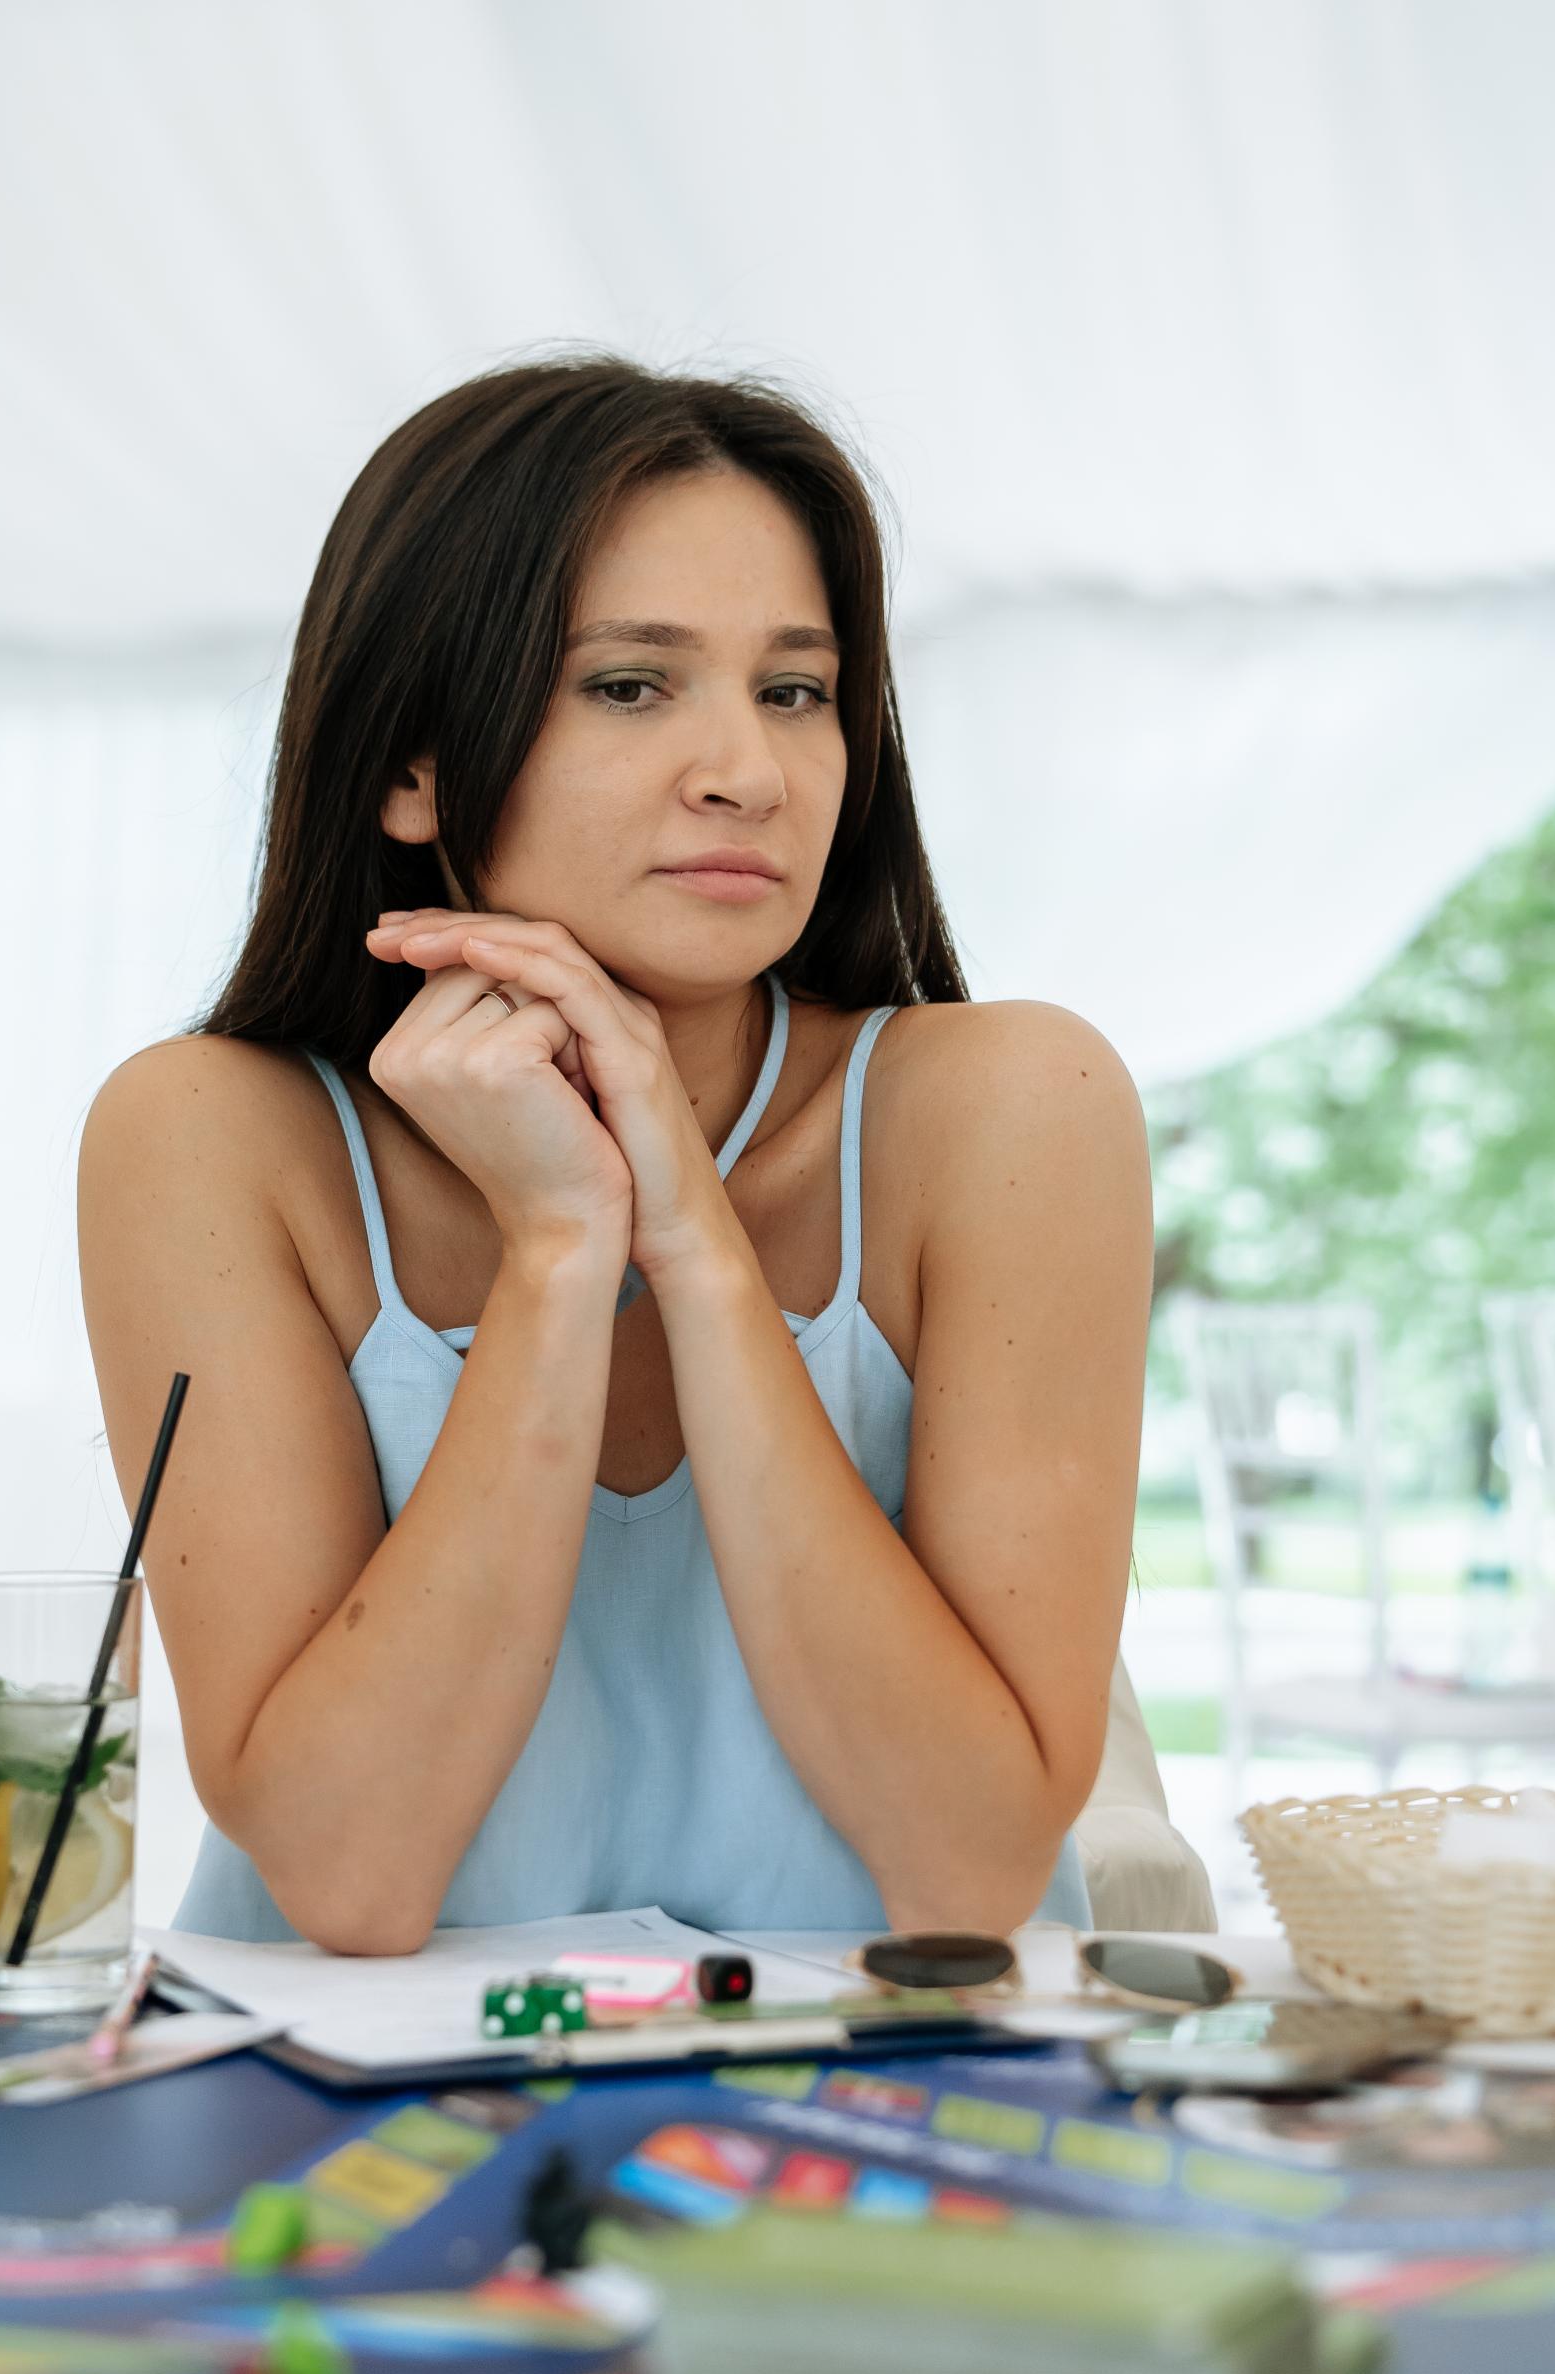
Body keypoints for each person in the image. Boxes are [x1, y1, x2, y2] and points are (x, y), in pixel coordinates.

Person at [77, 354, 1154, 1957]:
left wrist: (694, 1242)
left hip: (891, 2085)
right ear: (411, 763)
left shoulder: (1013, 1108)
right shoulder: (210, 1139)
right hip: (373, 2088)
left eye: (795, 691)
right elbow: (353, 1878)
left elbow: (968, 1873)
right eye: (633, 685)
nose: (749, 772)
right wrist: (559, 1247)